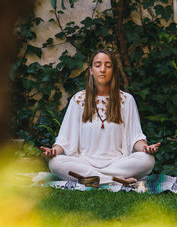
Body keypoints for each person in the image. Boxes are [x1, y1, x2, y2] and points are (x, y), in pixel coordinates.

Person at [40, 49, 160, 184]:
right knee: (55, 163)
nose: (103, 69)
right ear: (91, 70)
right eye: (98, 65)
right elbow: (65, 138)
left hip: (117, 162)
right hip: (85, 162)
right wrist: (54, 151)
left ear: (114, 71)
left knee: (148, 160)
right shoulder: (78, 99)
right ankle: (115, 180)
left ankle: (93, 179)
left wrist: (146, 148)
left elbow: (136, 137)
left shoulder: (127, 100)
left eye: (108, 66)